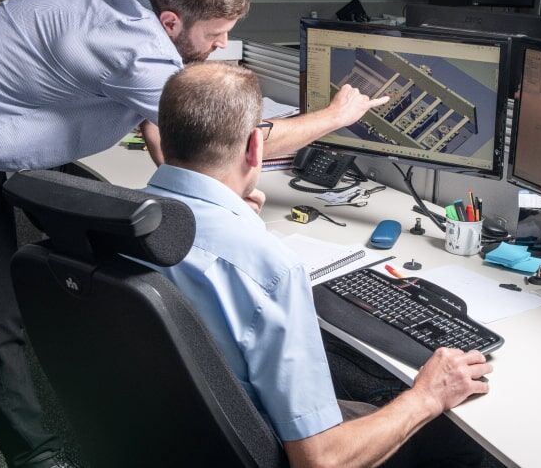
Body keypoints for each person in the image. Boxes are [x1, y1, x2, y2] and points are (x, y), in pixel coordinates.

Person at [0, 0, 385, 468]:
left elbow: (167, 134)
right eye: (216, 35)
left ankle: (34, 457)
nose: (224, 44)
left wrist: (201, 195)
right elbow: (223, 139)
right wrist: (338, 115)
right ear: (172, 20)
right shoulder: (134, 49)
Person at [144, 61, 492, 467]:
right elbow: (319, 461)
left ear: (163, 140)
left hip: (168, 430)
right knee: (454, 435)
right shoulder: (268, 268)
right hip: (262, 451)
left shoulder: (122, 216)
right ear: (256, 147)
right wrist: (427, 395)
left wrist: (234, 222)